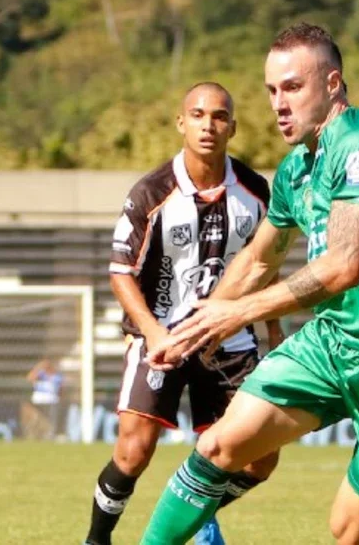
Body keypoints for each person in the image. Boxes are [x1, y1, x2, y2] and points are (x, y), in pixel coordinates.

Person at [141, 22, 359, 545]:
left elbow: (343, 267)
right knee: (218, 446)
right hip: (333, 344)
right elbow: (257, 260)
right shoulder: (296, 170)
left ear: (332, 84)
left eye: (292, 87)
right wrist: (198, 323)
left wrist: (239, 314)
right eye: (271, 90)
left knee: (350, 531)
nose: (278, 104)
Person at [85, 82, 284, 545]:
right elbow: (120, 272)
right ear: (181, 123)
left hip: (229, 340)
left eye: (219, 116)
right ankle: (96, 540)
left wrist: (275, 331)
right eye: (197, 115)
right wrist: (153, 333)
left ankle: (193, 508)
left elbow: (267, 263)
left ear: (233, 127)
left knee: (261, 459)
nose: (208, 125)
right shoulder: (150, 193)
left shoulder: (256, 191)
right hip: (163, 335)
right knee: (133, 453)